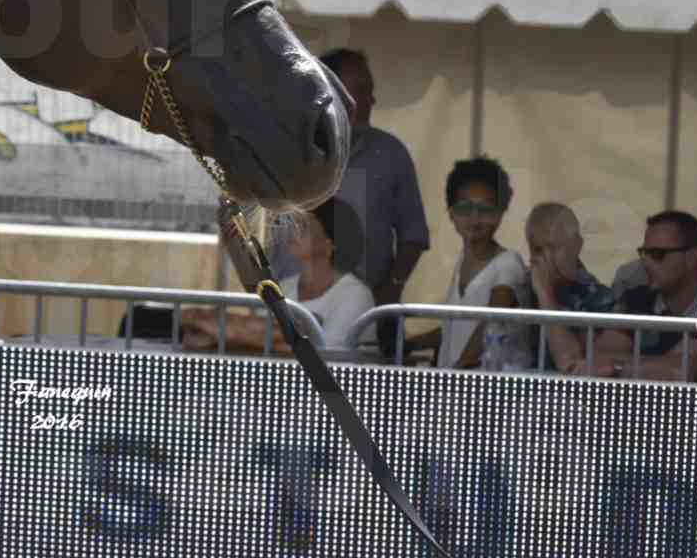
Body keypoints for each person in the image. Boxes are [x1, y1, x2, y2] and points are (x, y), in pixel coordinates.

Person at [270, 49, 429, 356]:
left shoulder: (390, 154)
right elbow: (259, 233)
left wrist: (388, 293)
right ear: (326, 92)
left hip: (368, 320)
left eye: (369, 91)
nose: (371, 100)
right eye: (362, 91)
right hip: (289, 314)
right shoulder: (287, 154)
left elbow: (414, 236)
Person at [183, 198, 374, 354]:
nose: (293, 231)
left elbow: (322, 352)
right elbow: (259, 336)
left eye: (303, 226)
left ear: (330, 242)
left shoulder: (355, 296)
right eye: (293, 224)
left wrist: (222, 332)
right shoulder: (285, 287)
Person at [407, 157, 532, 370]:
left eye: (485, 209)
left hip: (491, 393)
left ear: (501, 213)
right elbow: (454, 328)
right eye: (465, 208)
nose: (475, 218)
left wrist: (455, 374)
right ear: (451, 213)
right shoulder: (462, 262)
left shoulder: (509, 264)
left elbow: (490, 323)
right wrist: (409, 344)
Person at [596, 211, 697, 382]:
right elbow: (597, 358)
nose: (645, 262)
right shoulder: (637, 299)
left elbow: (679, 372)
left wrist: (616, 366)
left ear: (692, 257)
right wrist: (653, 366)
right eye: (643, 253)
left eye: (657, 254)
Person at [524, 202, 616, 374]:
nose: (546, 259)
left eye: (553, 248)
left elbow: (571, 363)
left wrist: (545, 295)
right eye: (537, 250)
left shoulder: (600, 300)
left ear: (577, 245)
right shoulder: (521, 290)